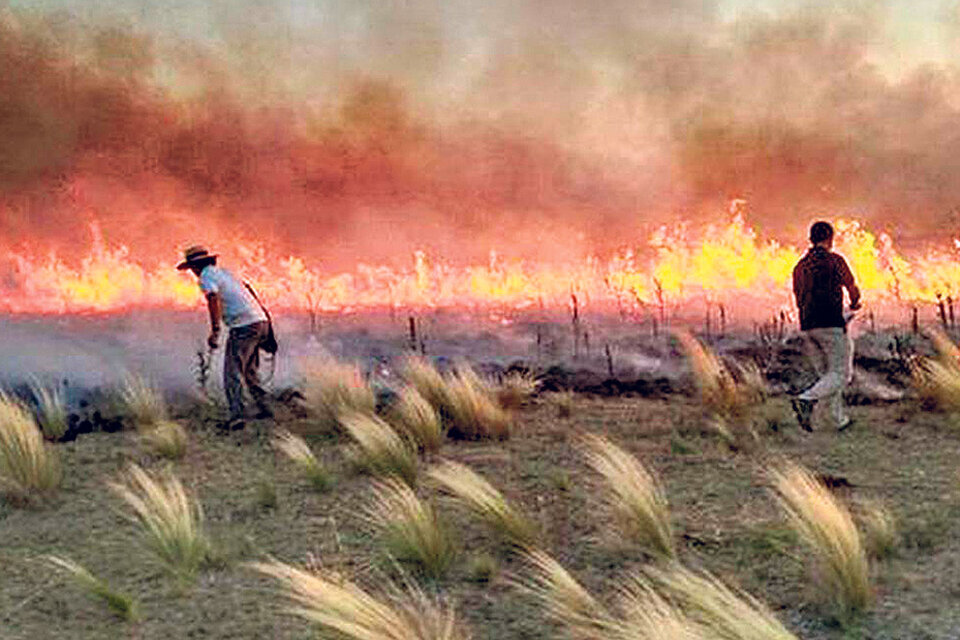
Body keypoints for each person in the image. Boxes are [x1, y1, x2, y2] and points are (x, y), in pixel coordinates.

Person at [177, 245, 272, 429]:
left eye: (191, 269)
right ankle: (266, 409)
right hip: (260, 321)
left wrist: (215, 331)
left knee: (232, 372)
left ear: (196, 267)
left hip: (243, 326)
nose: (193, 273)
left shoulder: (206, 277)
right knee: (249, 370)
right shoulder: (224, 273)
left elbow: (213, 299)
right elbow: (249, 291)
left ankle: (237, 416)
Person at [791, 221, 861, 432]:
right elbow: (852, 287)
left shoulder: (800, 266)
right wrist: (854, 304)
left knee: (829, 376)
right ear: (830, 238)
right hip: (830, 323)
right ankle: (805, 400)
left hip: (807, 326)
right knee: (842, 374)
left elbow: (798, 297)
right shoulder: (835, 261)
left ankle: (839, 421)